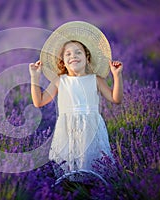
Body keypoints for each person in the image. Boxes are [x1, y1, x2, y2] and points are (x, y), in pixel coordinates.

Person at [29, 21, 123, 177]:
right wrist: (34, 77)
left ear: (87, 57)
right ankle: (70, 189)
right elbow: (38, 102)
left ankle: (92, 187)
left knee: (92, 163)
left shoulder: (96, 79)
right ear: (63, 62)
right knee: (68, 164)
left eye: (78, 52)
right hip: (67, 128)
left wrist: (117, 76)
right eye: (68, 54)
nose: (73, 56)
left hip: (91, 127)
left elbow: (116, 99)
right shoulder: (60, 80)